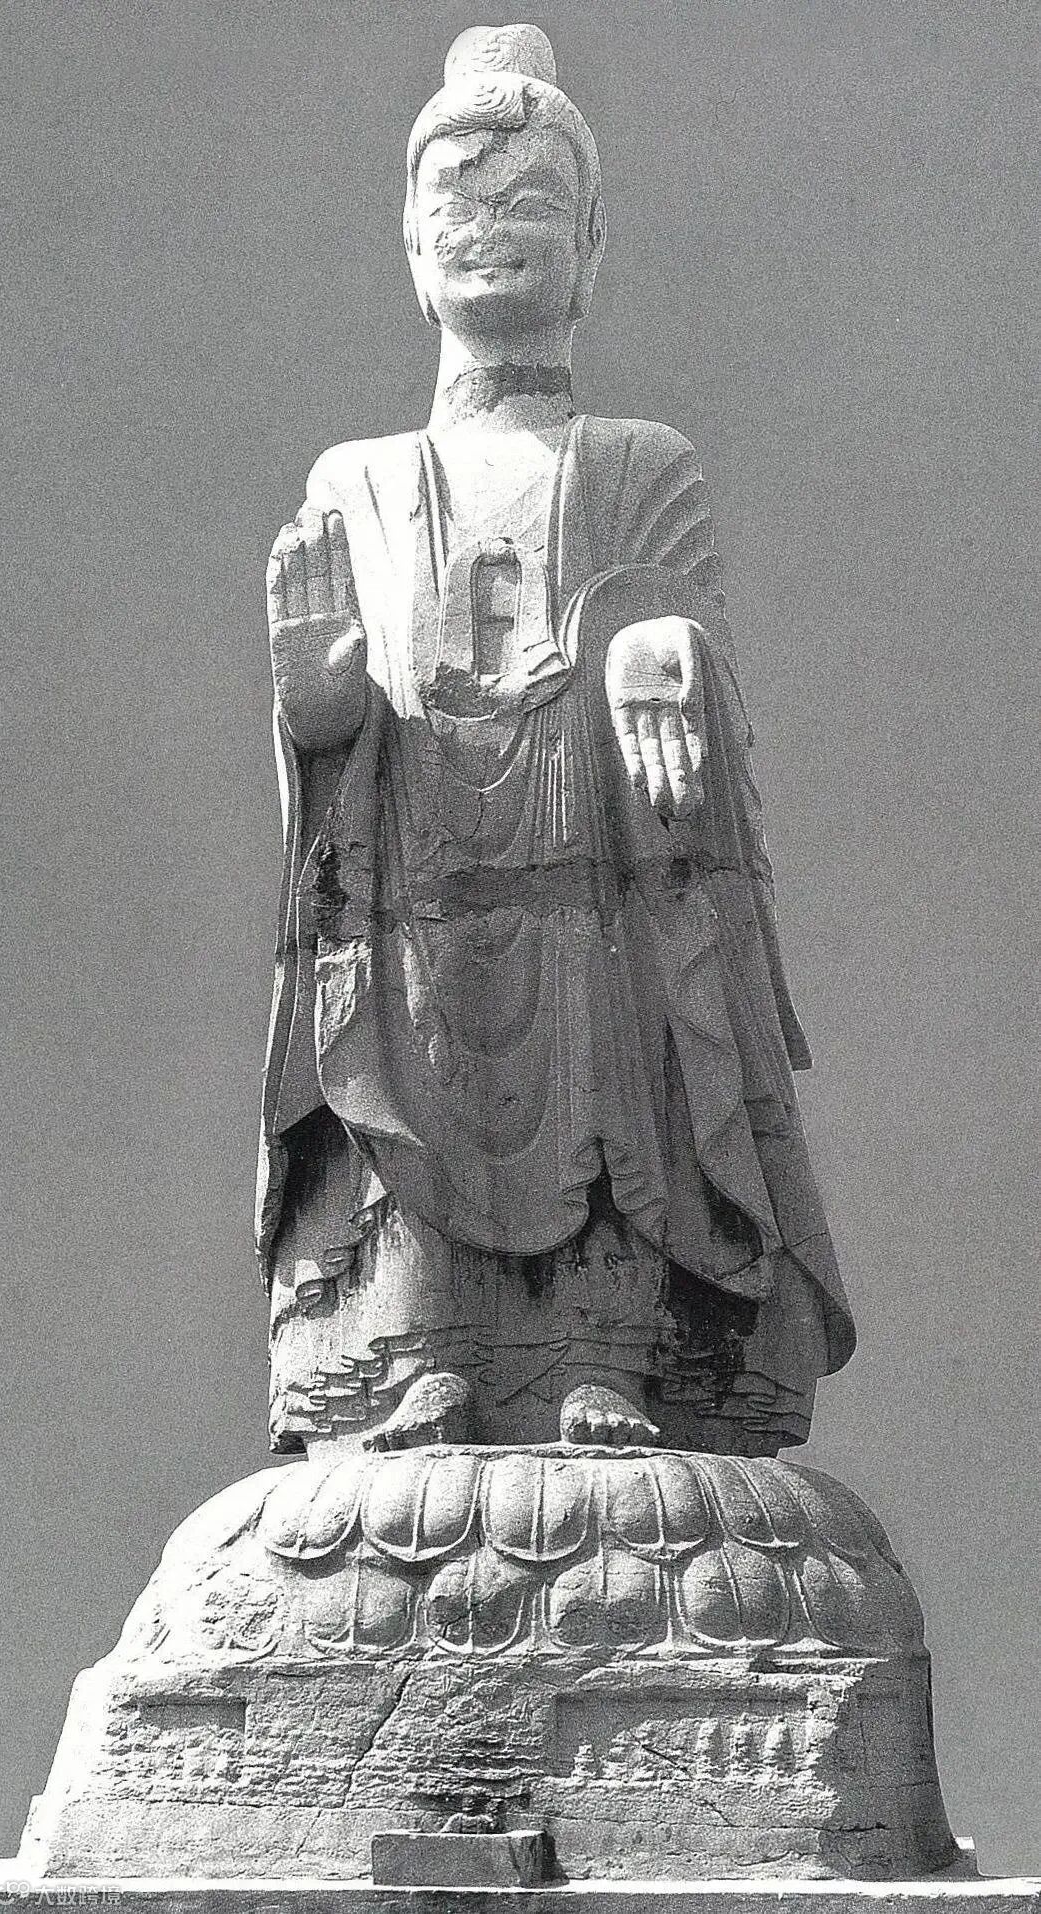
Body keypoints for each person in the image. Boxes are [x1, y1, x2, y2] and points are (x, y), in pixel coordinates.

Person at [257, 25, 854, 1458]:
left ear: (589, 244)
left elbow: (686, 636)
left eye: (531, 201)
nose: (492, 227)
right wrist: (317, 702)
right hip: (417, 872)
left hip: (587, 863)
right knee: (407, 1067)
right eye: (458, 200)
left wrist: (657, 655)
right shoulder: (361, 479)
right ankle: (422, 1355)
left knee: (611, 1080)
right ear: (411, 245)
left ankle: (601, 1355)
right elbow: (330, 725)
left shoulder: (641, 464)